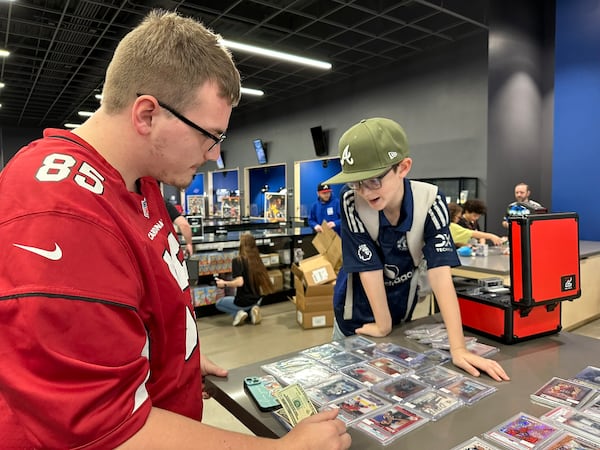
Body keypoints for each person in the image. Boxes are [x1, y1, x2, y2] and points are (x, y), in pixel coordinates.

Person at [0, 10, 351, 450]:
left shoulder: (143, 182)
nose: (213, 154)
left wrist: (168, 364)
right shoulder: (59, 212)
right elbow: (104, 431)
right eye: (210, 135)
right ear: (147, 114)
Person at [323, 117, 509, 383]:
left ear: (403, 167)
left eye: (374, 180)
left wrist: (458, 348)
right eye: (356, 182)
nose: (364, 191)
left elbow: (440, 273)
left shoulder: (430, 201)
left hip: (400, 313)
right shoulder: (350, 200)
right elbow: (369, 267)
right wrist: (382, 324)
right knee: (346, 388)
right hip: (356, 316)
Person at [214, 233, 274, 326]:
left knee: (219, 303)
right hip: (257, 299)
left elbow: (239, 282)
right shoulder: (257, 260)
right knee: (249, 305)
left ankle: (238, 313)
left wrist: (224, 283)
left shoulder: (237, 261)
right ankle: (252, 310)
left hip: (243, 301)